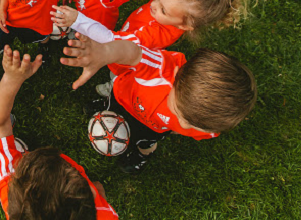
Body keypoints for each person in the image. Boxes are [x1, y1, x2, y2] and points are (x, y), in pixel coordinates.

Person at [52, 0, 271, 96]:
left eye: (163, 9)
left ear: (184, 26)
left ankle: (114, 86)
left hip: (126, 57)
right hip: (127, 41)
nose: (153, 3)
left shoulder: (155, 35)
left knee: (118, 73)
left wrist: (77, 20)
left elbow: (114, 40)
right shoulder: (168, 9)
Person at [60, 33, 257, 174]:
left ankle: (141, 154)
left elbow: (188, 126)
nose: (182, 124)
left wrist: (173, 128)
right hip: (124, 98)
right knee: (113, 105)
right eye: (180, 114)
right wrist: (106, 52)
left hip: (153, 128)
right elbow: (133, 52)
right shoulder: (160, 69)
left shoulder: (208, 123)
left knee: (146, 141)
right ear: (178, 80)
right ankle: (105, 105)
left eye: (189, 123)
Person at [0, 45, 119, 219]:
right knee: (98, 186)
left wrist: (11, 79)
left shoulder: (13, 190)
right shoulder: (106, 215)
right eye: (73, 172)